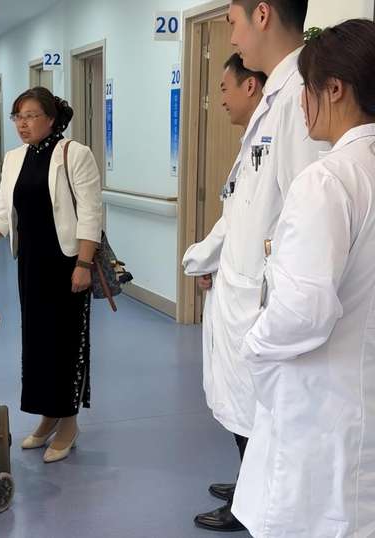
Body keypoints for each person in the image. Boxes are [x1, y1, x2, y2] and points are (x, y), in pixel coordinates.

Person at [230, 18, 375, 537]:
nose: (301, 103)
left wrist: (253, 345)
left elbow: (303, 312)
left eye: (307, 89)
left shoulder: (328, 179)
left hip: (322, 406)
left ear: (334, 89)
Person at [0, 87, 102, 464]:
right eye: (17, 117)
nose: (22, 124)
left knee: (65, 343)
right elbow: (2, 212)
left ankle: (68, 422)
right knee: (37, 343)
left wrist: (84, 264)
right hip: (31, 264)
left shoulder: (74, 154)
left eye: (30, 116)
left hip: (66, 263)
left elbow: (91, 213)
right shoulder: (14, 159)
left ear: (51, 119)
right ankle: (48, 416)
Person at [183, 53, 266, 532]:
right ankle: (246, 485)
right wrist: (205, 259)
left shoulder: (279, 132)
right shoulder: (253, 139)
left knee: (251, 408)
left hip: (254, 302)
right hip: (235, 290)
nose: (220, 99)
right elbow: (235, 217)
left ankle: (250, 502)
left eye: (224, 88)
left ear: (251, 86)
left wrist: (204, 259)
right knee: (238, 404)